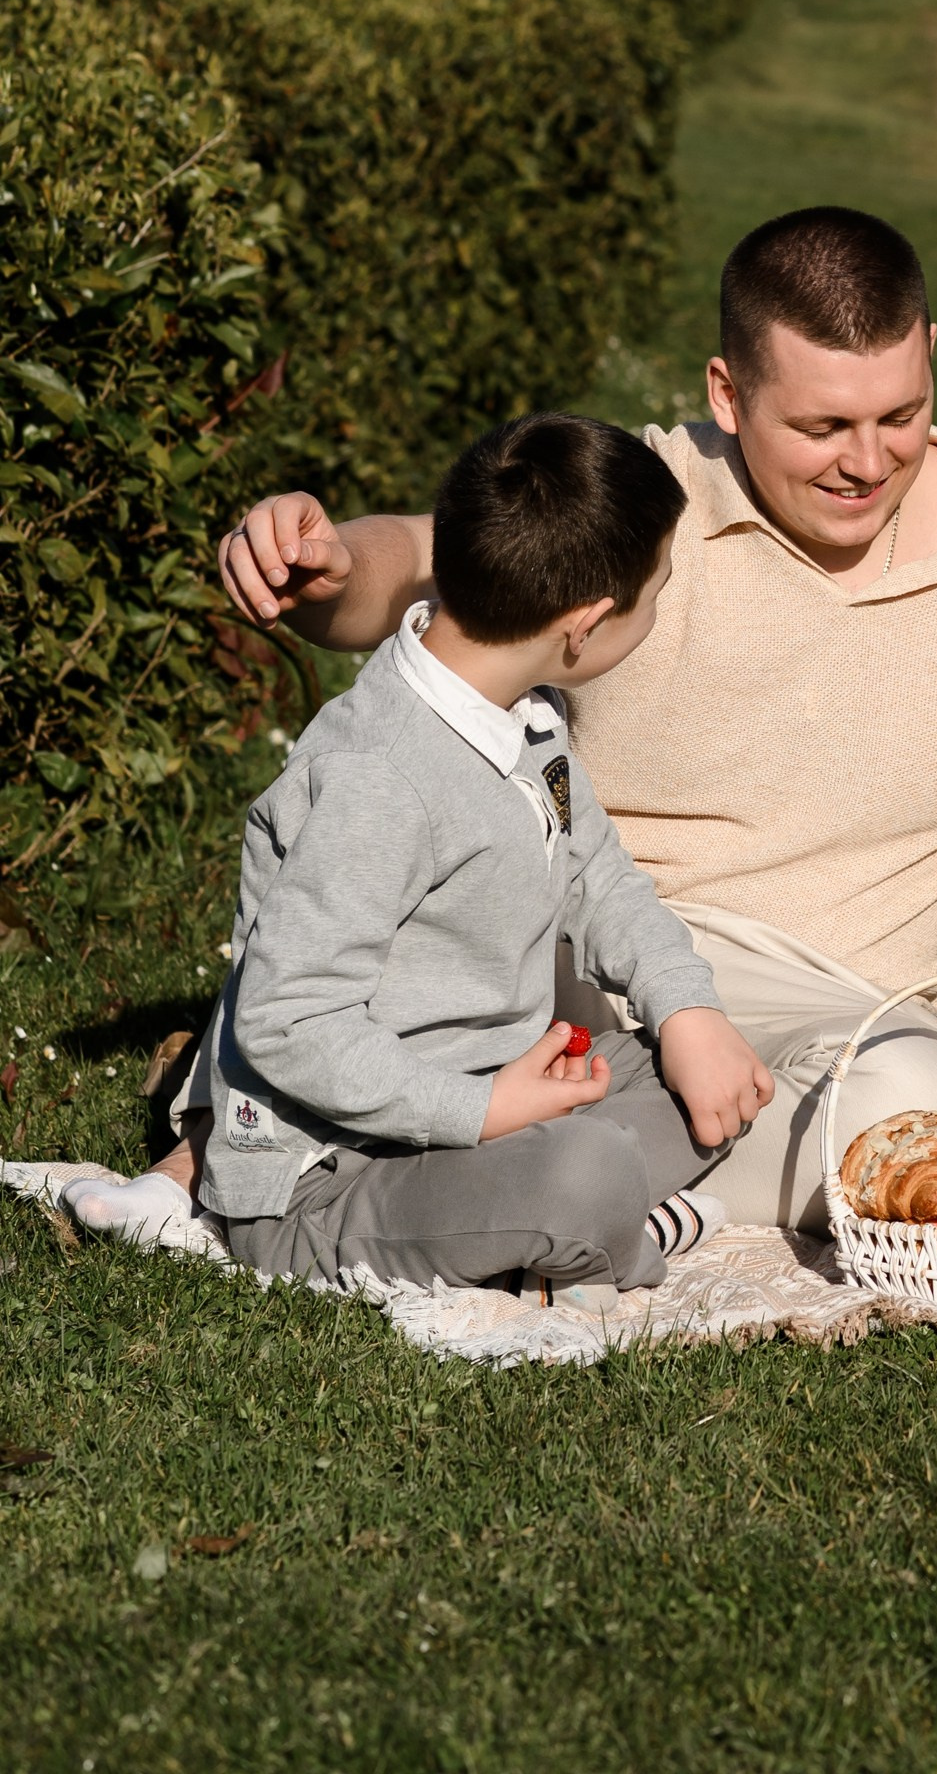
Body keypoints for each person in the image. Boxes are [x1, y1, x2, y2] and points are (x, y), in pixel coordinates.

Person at [203, 208, 937, 1228]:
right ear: (727, 394)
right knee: (916, 1136)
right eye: (822, 428)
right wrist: (334, 559)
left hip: (843, 999)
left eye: (900, 415)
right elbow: (439, 558)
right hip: (590, 964)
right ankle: (495, 1168)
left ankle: (494, 1162)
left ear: (931, 359)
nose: (868, 463)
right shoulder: (654, 501)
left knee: (917, 1106)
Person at [203, 411, 774, 1300]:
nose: (658, 609)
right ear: (584, 625)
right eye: (656, 592)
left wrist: (689, 1010)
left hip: (490, 1089)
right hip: (333, 1177)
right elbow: (288, 1024)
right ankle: (598, 1227)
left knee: (708, 1075)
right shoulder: (381, 779)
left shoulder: (525, 712)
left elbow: (597, 875)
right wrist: (480, 1111)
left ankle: (564, 1213)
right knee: (579, 1175)